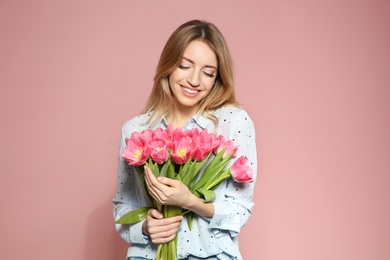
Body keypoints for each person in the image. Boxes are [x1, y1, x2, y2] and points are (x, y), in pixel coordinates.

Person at [113, 19, 257, 260]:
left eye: (208, 72)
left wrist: (190, 201)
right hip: (147, 256)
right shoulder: (135, 130)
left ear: (217, 78)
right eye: (184, 66)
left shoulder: (233, 121)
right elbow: (123, 205)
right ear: (168, 65)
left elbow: (240, 209)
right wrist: (146, 228)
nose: (194, 81)